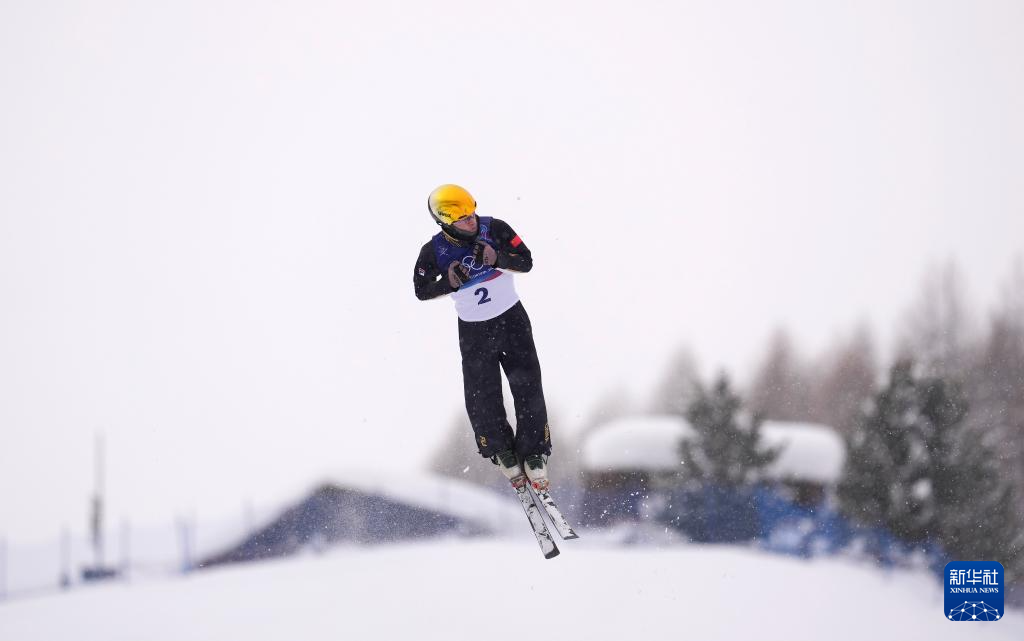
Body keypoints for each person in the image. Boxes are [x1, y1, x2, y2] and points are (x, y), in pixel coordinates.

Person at [413, 184, 551, 490]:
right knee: (481, 393)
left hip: (512, 321)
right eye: (462, 219)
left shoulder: (495, 228)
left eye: (472, 213)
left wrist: (498, 258)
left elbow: (526, 260)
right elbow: (421, 290)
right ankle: (500, 449)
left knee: (527, 384)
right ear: (446, 223)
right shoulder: (433, 251)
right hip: (474, 332)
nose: (471, 221)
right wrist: (448, 283)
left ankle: (534, 452)